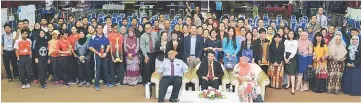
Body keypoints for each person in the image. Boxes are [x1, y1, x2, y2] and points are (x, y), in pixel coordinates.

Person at [88, 24, 112, 91]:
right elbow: (90, 47)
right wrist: (98, 53)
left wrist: (106, 53)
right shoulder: (93, 38)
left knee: (106, 69)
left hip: (104, 55)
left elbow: (108, 45)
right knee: (97, 70)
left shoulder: (105, 37)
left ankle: (107, 82)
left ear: (102, 29)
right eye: (98, 28)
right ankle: (97, 84)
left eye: (101, 28)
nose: (99, 29)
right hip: (97, 56)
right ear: (96, 29)